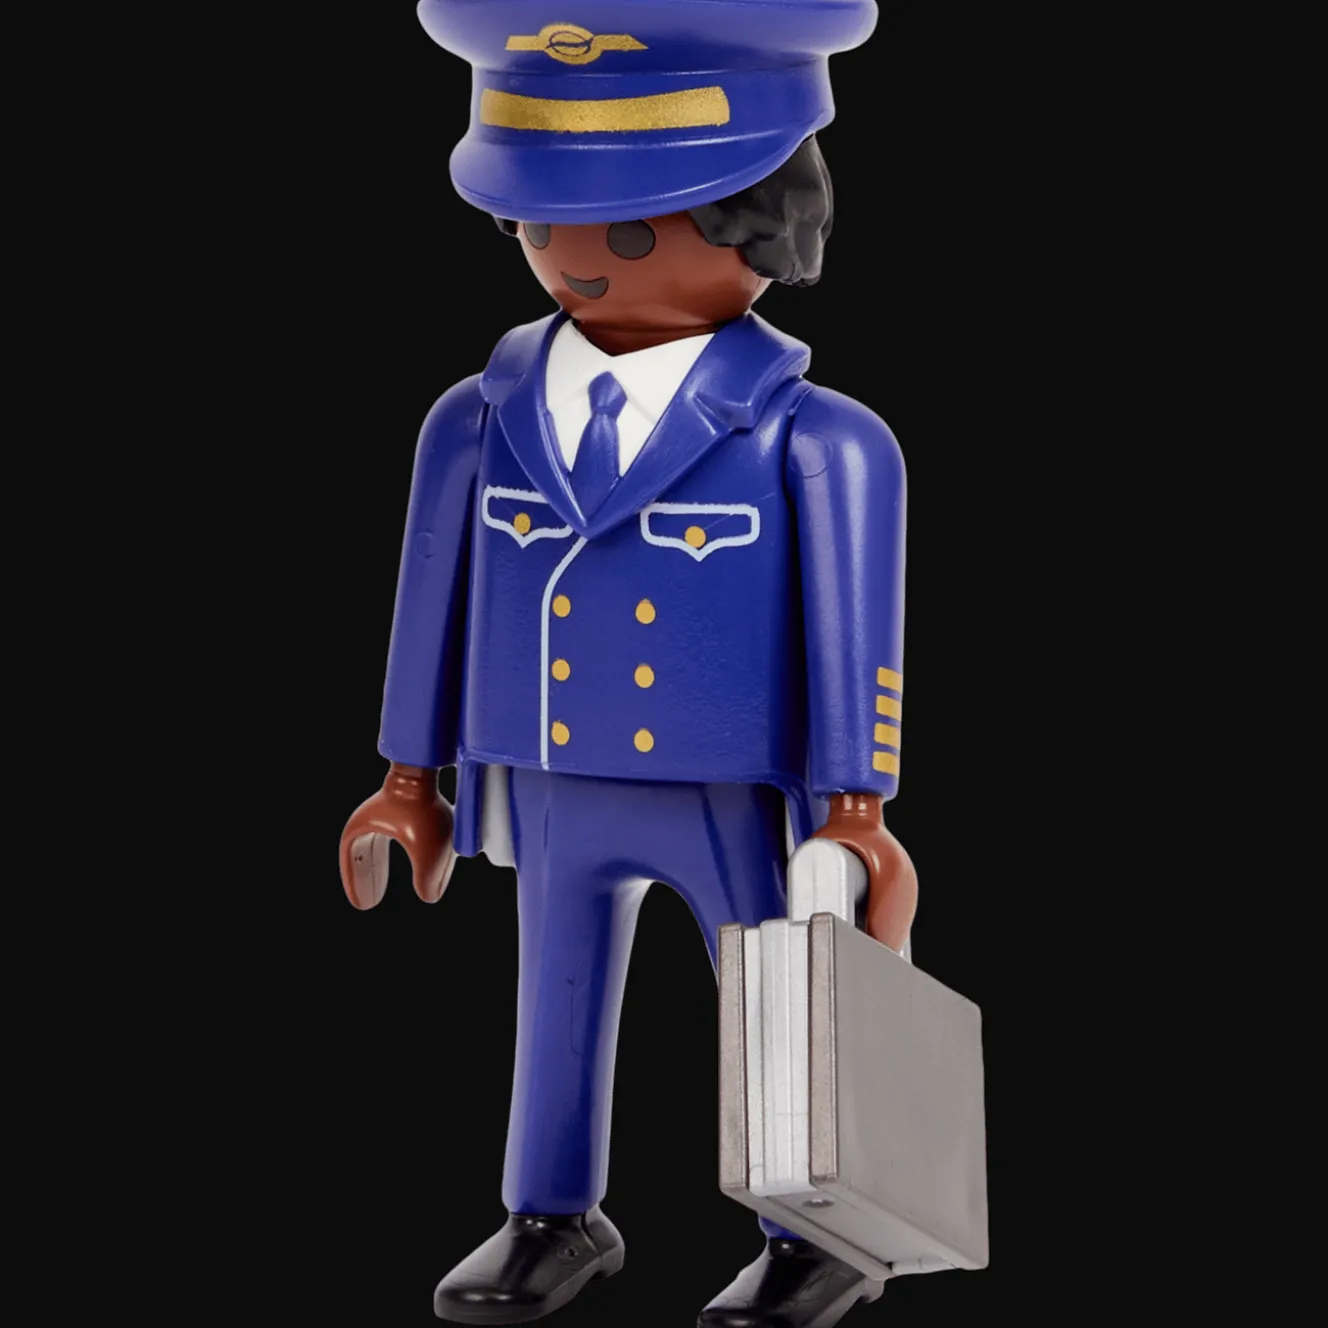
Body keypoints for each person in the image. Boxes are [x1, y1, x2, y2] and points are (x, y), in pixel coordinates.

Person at [340, 4, 916, 1324]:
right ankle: (549, 1212)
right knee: (553, 999)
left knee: (776, 1010)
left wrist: (859, 807)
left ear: (760, 221)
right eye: (542, 224)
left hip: (729, 783)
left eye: (631, 230)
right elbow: (428, 605)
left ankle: (809, 1227)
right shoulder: (477, 421)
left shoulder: (816, 440)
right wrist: (408, 779)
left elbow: (858, 636)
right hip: (547, 774)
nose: (575, 259)